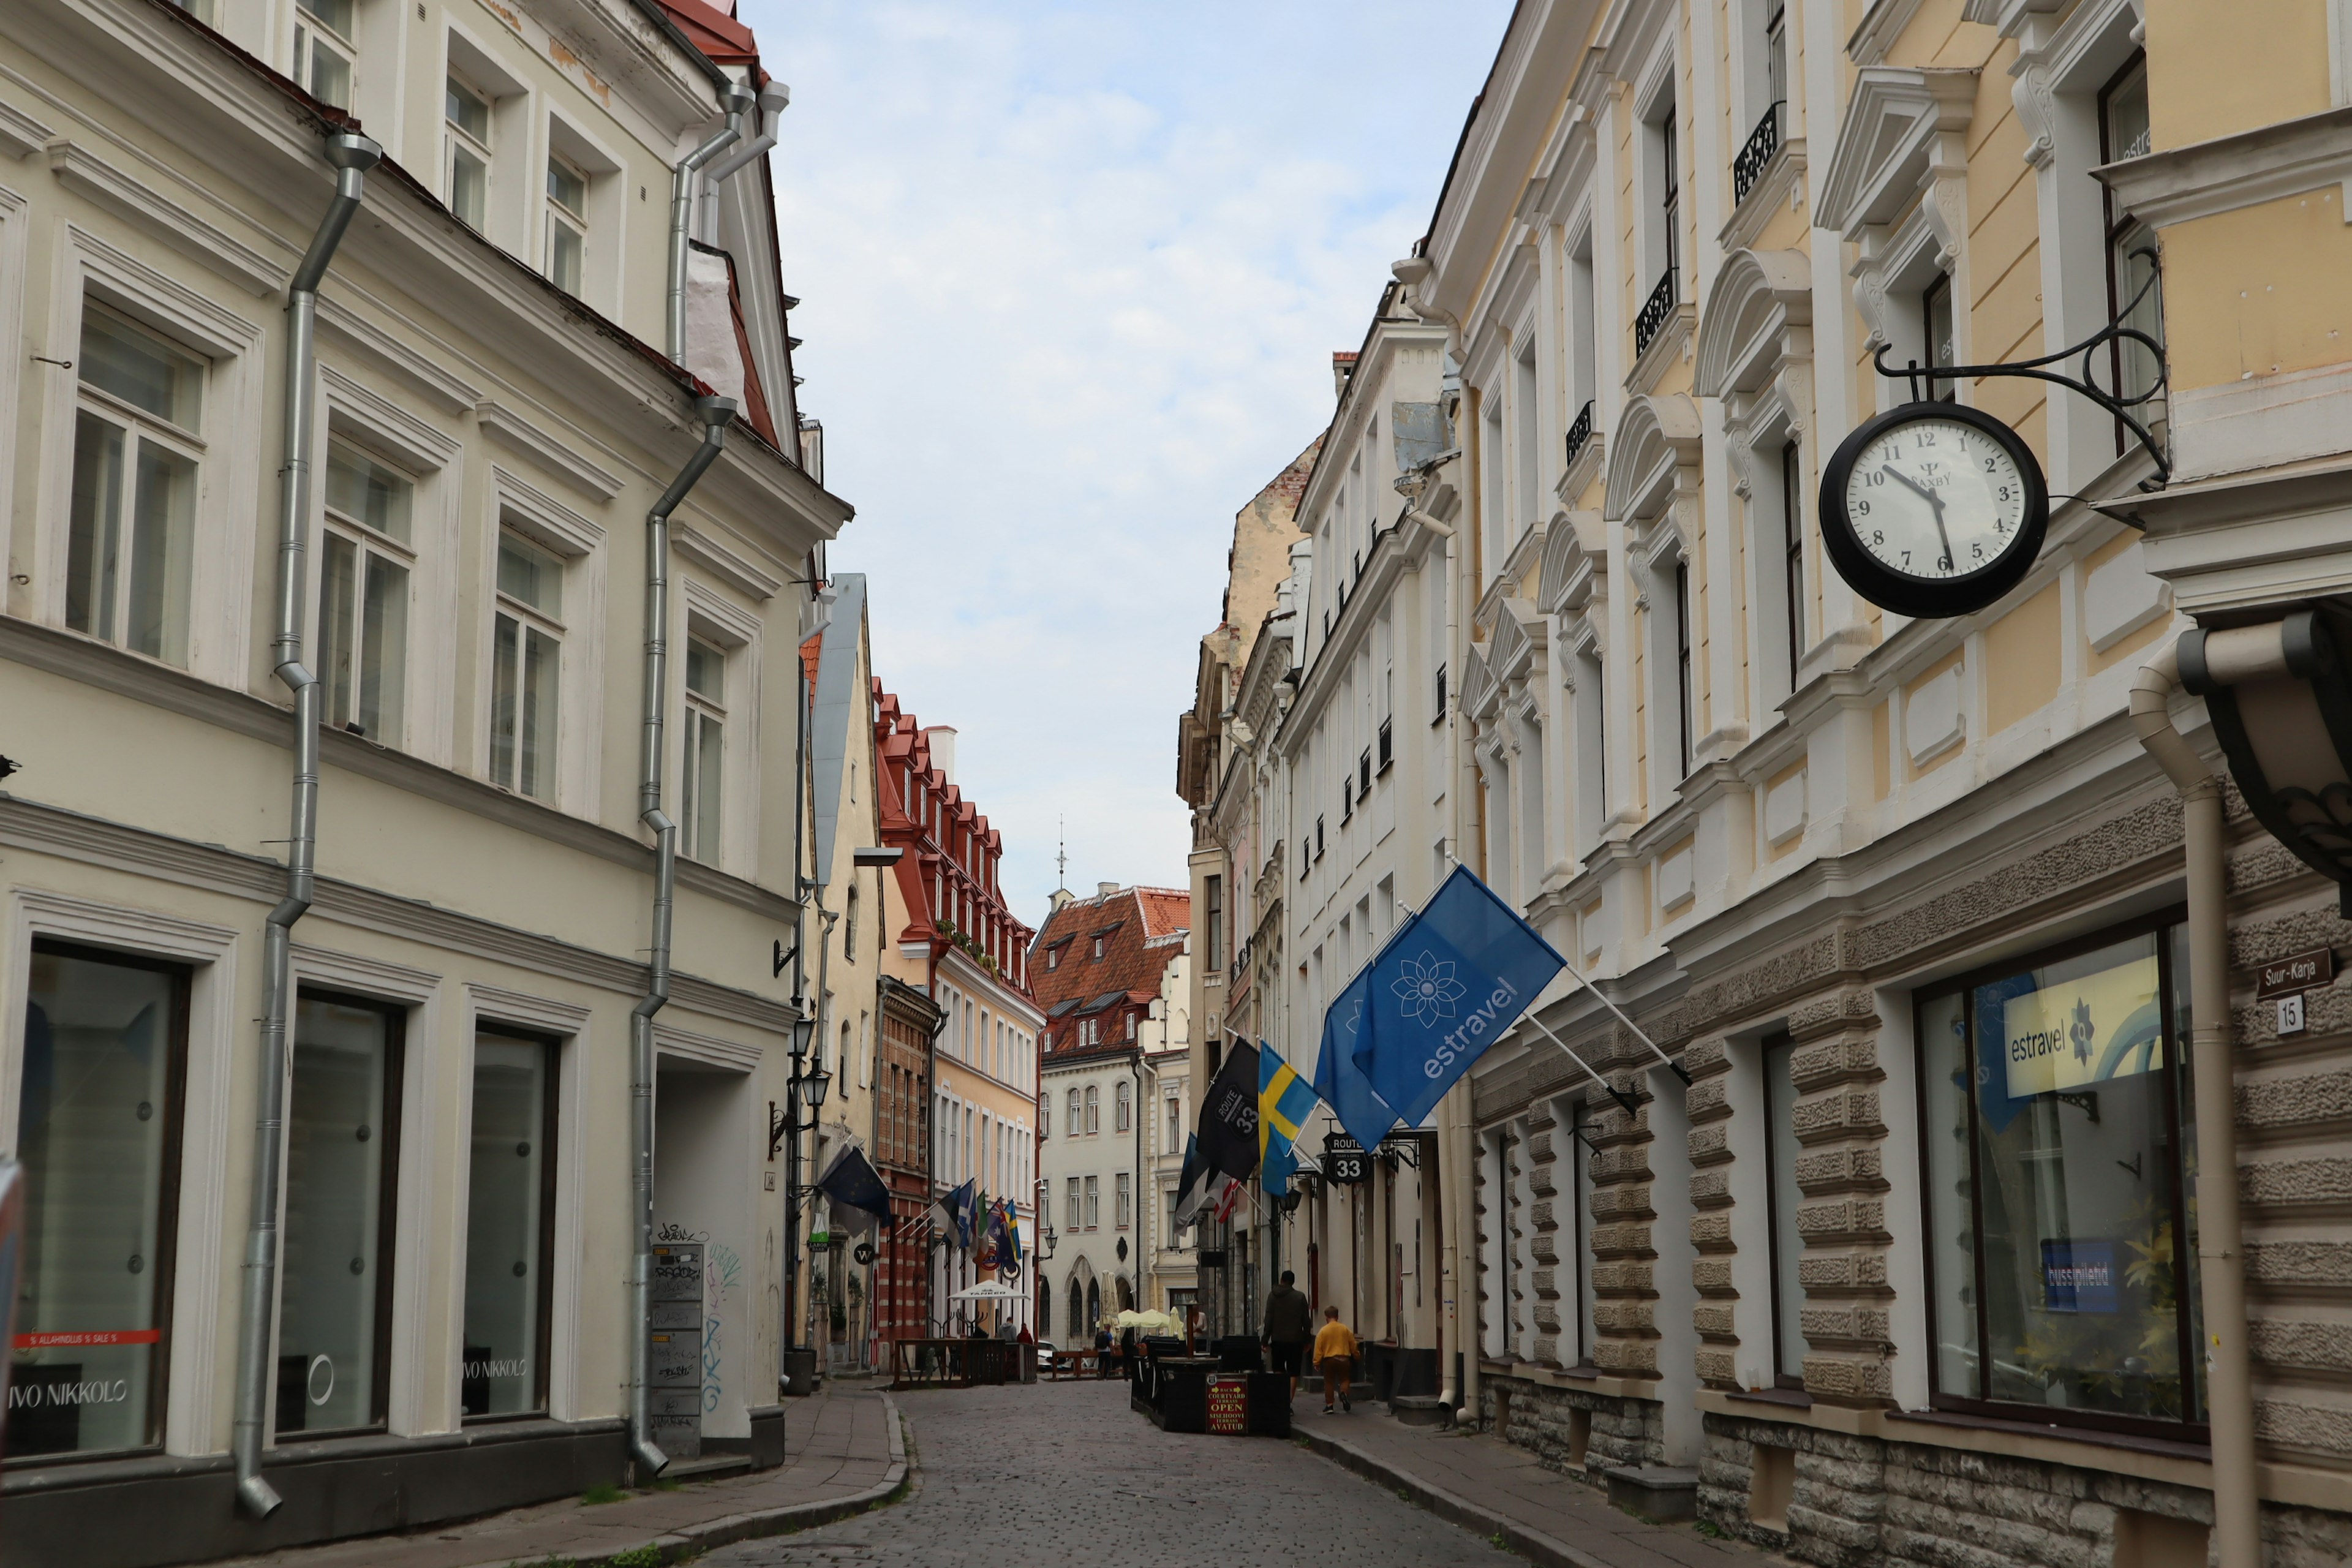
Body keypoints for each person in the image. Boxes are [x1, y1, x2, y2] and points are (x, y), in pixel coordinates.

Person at [1261, 1270, 1313, 1398]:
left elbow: (1268, 1320)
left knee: (1278, 1369)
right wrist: (1307, 1340)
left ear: (1281, 1280)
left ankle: (1279, 1400)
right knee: (1294, 1372)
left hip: (1277, 1339)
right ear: (1293, 1282)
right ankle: (1288, 1402)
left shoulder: (1272, 1296)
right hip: (1296, 1340)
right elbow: (1306, 1321)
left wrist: (1264, 1340)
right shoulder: (1300, 1297)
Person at [1313, 1305, 1358, 1414]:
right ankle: (1343, 1393)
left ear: (1326, 1317)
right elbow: (1353, 1344)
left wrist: (1317, 1362)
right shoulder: (1345, 1329)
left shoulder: (1323, 1331)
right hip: (1344, 1358)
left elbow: (1318, 1348)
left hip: (1330, 1359)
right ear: (1337, 1316)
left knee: (1329, 1382)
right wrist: (1356, 1355)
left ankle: (1330, 1405)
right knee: (1345, 1379)